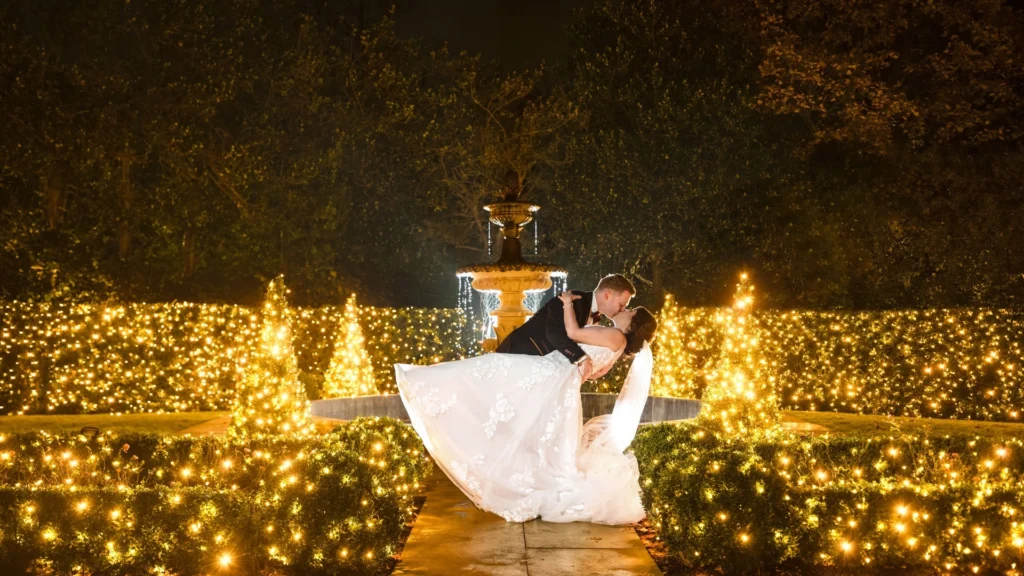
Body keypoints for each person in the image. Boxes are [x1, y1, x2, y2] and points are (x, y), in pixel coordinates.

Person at [395, 287, 658, 524]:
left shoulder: (614, 334)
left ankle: (423, 380)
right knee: (535, 428)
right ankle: (525, 478)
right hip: (562, 383)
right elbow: (597, 373)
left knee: (487, 371)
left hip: (551, 373)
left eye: (630, 310)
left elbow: (572, 333)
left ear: (634, 323)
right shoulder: (619, 347)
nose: (625, 310)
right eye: (626, 305)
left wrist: (566, 303)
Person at [496, 274, 636, 382]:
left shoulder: (595, 318)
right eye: (622, 304)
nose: (623, 309)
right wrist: (581, 358)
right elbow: (553, 333)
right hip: (519, 353)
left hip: (540, 370)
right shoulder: (572, 300)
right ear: (607, 295)